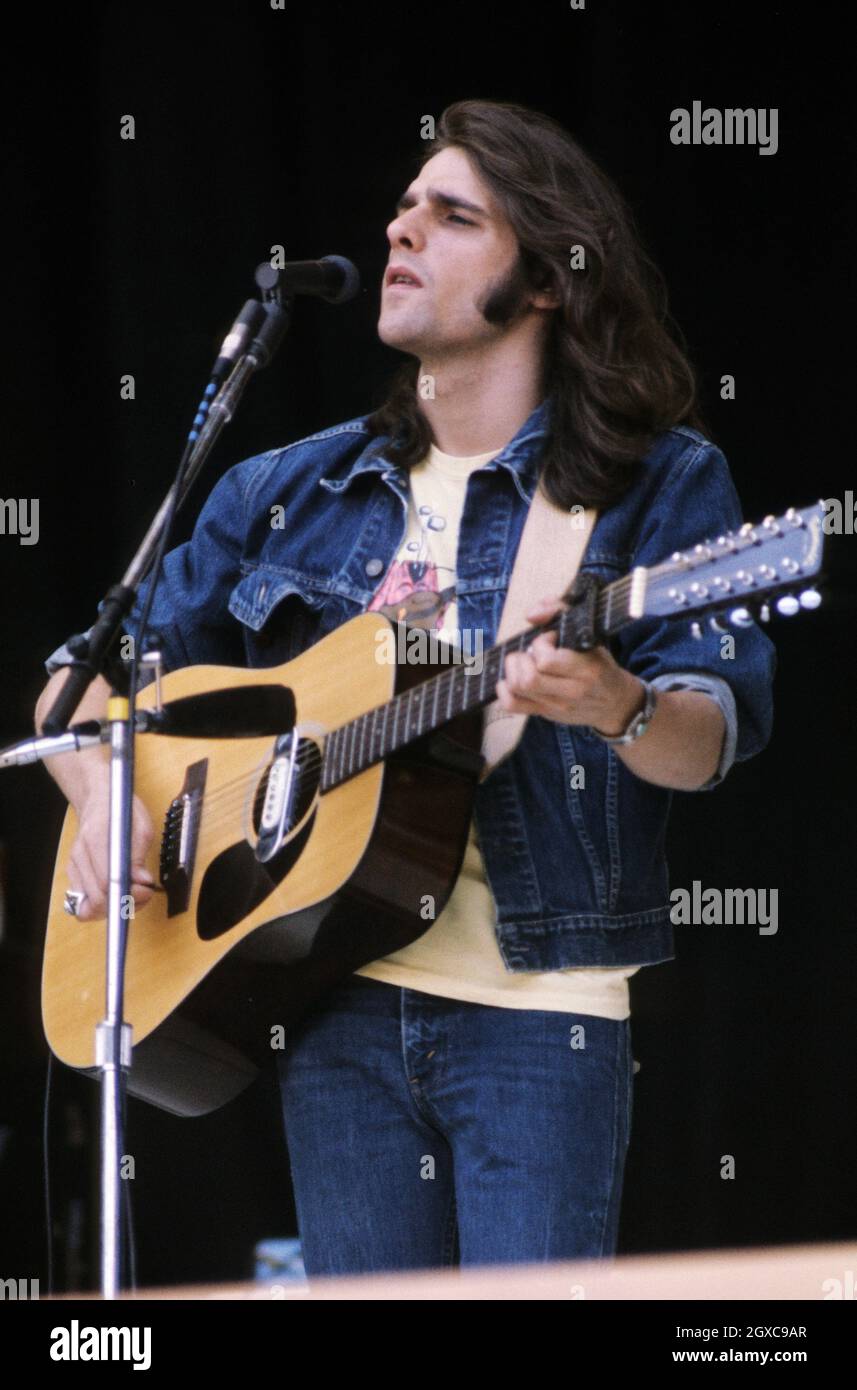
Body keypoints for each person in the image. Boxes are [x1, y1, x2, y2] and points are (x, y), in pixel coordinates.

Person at [36, 99, 776, 1276]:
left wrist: (613, 702)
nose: (399, 233)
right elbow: (77, 684)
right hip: (331, 995)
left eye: (450, 215)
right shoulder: (292, 488)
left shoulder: (656, 485)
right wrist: (99, 797)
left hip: (538, 1014)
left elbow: (708, 734)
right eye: (400, 209)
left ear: (543, 278)